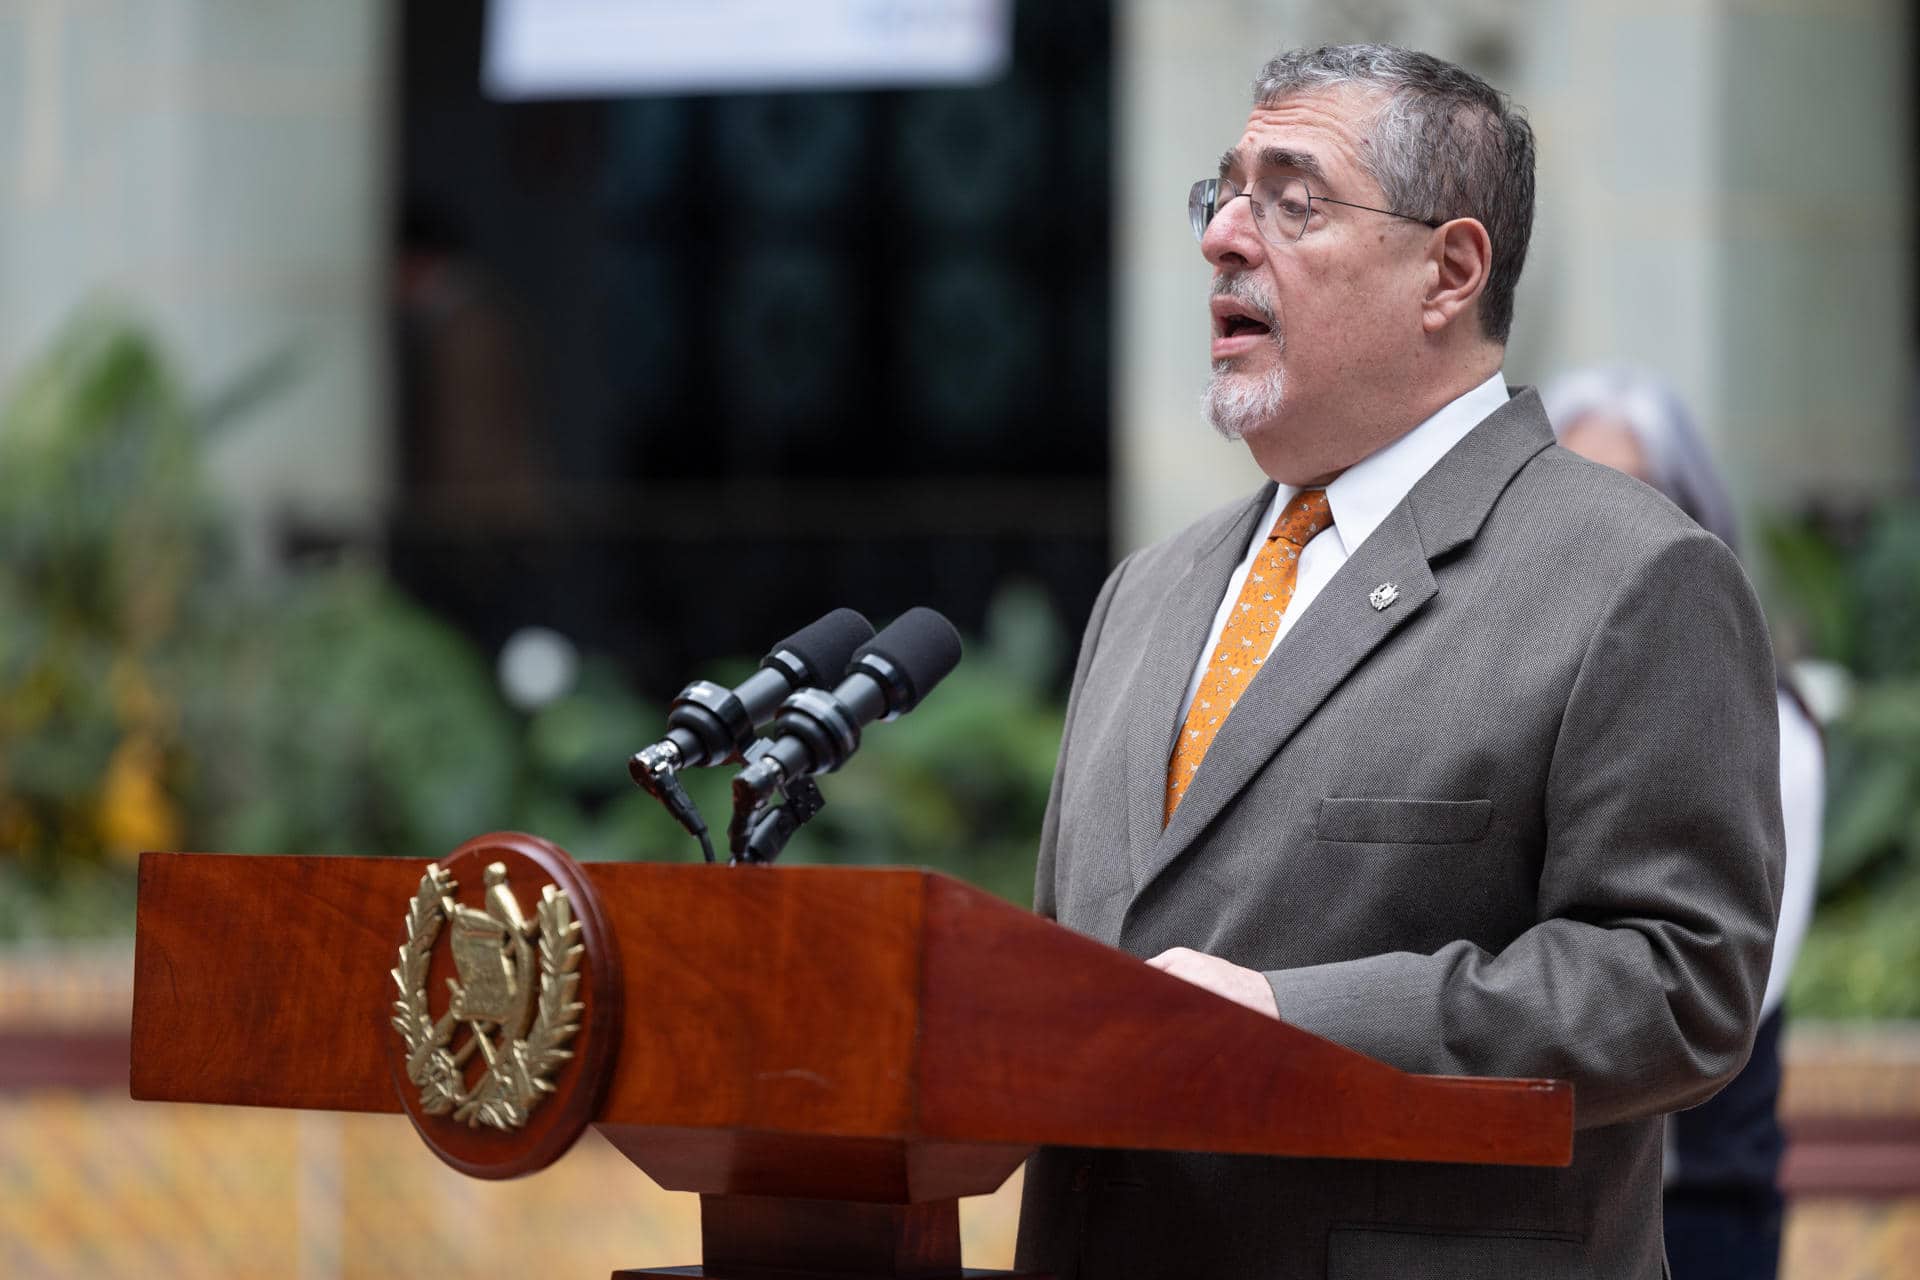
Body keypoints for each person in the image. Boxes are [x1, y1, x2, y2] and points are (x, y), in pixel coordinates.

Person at [1013, 44, 1784, 1280]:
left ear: (1451, 269)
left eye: (1293, 199)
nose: (1223, 238)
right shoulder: (1145, 592)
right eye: (1223, 194)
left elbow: (1679, 984)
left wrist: (1293, 1022)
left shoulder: (1632, 574)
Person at [1545, 367, 1824, 1280]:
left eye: (1638, 490)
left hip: (1695, 1200)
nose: (1607, 524)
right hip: (1547, 1205)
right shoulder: (1531, 703)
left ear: (1695, 512)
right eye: (1574, 488)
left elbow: (1717, 987)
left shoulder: (1768, 723)